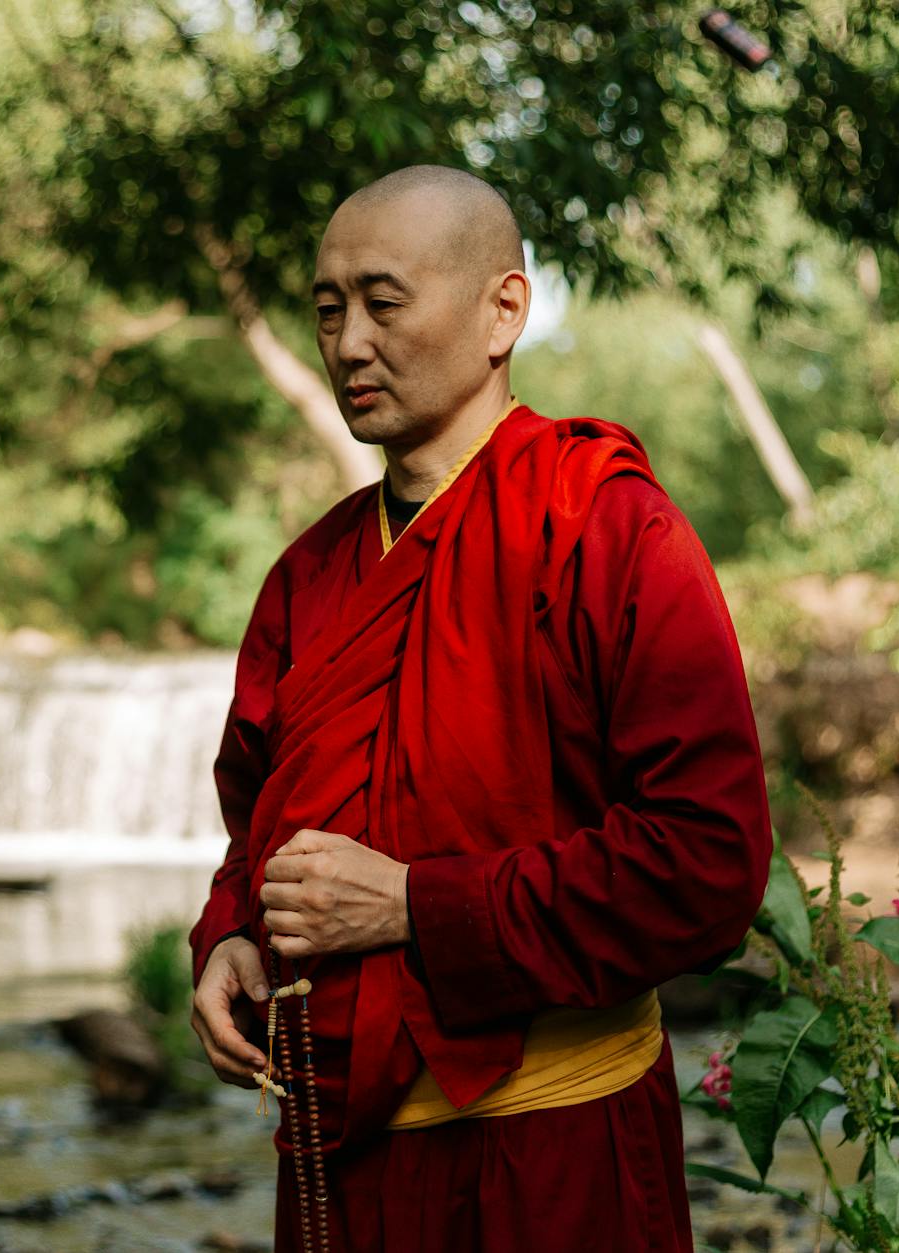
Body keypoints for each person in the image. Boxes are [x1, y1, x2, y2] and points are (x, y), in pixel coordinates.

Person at [186, 164, 772, 1253]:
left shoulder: (604, 528)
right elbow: (256, 820)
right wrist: (226, 933)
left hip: (553, 1154)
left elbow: (707, 863)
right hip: (342, 1165)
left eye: (382, 300)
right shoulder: (308, 574)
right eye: (326, 308)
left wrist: (419, 903)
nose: (347, 342)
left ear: (504, 310)